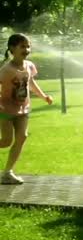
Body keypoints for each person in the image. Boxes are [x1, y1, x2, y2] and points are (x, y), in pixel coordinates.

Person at [0, 33, 53, 184]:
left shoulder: (29, 66)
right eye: (22, 46)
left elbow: (31, 83)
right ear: (12, 48)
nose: (27, 49)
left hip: (23, 109)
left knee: (22, 136)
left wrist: (44, 96)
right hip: (5, 110)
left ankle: (7, 173)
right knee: (6, 141)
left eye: (28, 46)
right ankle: (7, 173)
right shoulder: (6, 69)